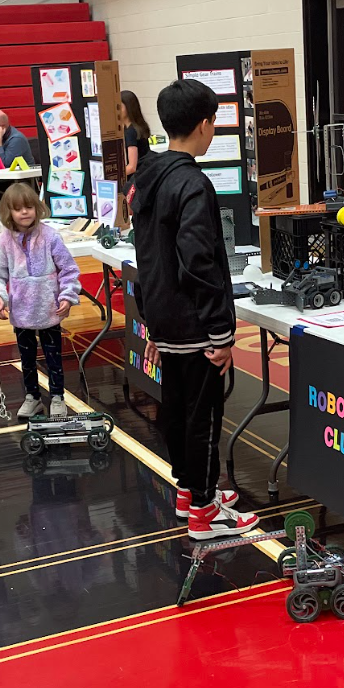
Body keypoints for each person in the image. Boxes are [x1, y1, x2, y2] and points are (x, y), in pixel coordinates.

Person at [131, 78, 254, 540]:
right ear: (204, 125)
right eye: (215, 123)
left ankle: (190, 491)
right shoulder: (192, 184)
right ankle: (204, 511)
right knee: (202, 415)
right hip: (194, 324)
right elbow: (198, 261)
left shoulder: (146, 177)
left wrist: (153, 320)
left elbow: (145, 255)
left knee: (179, 409)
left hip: (163, 317)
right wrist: (221, 332)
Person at [0, 182, 79, 420]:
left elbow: (68, 269)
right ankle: (32, 397)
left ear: (37, 208)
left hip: (49, 310)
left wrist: (67, 295)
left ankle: (57, 396)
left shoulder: (50, 236)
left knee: (54, 357)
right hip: (22, 312)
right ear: (9, 212)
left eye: (29, 207)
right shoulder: (3, 241)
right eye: (18, 208)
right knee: (27, 359)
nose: (25, 212)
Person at [0, 110, 34, 216]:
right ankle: (3, 222)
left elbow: (3, 165)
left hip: (20, 181)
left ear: (2, 127)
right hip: (2, 179)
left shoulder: (17, 139)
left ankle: (7, 222)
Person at [121, 90, 151, 178]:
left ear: (128, 108)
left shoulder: (131, 131)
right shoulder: (133, 127)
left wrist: (114, 177)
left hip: (137, 179)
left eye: (120, 107)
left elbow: (132, 167)